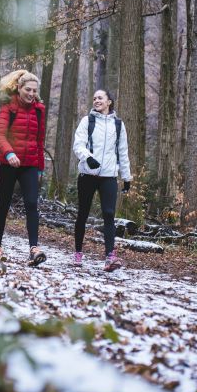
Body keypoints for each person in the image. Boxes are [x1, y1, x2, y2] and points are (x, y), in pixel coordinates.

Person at [72, 89, 132, 272]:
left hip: (108, 177)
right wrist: (87, 157)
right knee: (82, 213)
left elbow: (122, 152)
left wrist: (126, 177)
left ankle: (109, 257)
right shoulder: (87, 121)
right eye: (94, 98)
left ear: (109, 102)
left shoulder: (119, 125)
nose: (96, 100)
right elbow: (78, 144)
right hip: (87, 175)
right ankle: (78, 252)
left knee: (108, 214)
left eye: (100, 98)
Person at [0, 70, 46, 266]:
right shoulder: (9, 107)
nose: (31, 94)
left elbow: (40, 141)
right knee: (3, 205)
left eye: (34, 90)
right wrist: (9, 152)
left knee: (32, 204)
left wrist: (40, 167)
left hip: (30, 164)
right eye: (28, 90)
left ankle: (34, 249)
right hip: (7, 164)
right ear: (19, 88)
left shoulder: (39, 110)